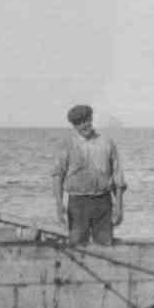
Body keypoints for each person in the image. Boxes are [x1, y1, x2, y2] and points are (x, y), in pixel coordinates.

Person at [52, 103, 127, 246]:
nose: (83, 125)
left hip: (103, 203)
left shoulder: (107, 143)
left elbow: (118, 178)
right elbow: (57, 176)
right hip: (77, 204)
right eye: (78, 123)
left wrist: (119, 207)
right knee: (77, 246)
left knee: (105, 246)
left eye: (86, 120)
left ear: (91, 119)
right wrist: (59, 205)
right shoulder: (66, 144)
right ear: (74, 126)